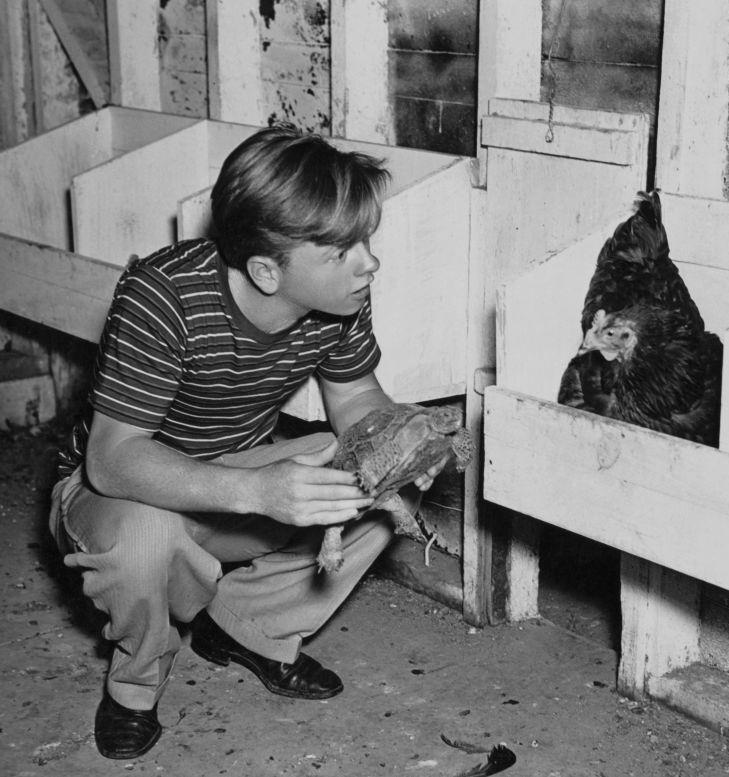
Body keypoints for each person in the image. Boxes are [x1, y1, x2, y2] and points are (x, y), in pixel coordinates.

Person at [48, 123, 445, 760]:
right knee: (146, 540)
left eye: (363, 242)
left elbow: (355, 402)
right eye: (341, 251)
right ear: (266, 270)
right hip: (120, 490)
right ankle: (135, 684)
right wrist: (259, 490)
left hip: (234, 476)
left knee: (372, 489)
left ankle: (249, 628)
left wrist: (402, 444)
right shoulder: (162, 297)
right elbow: (113, 459)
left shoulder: (337, 301)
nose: (368, 262)